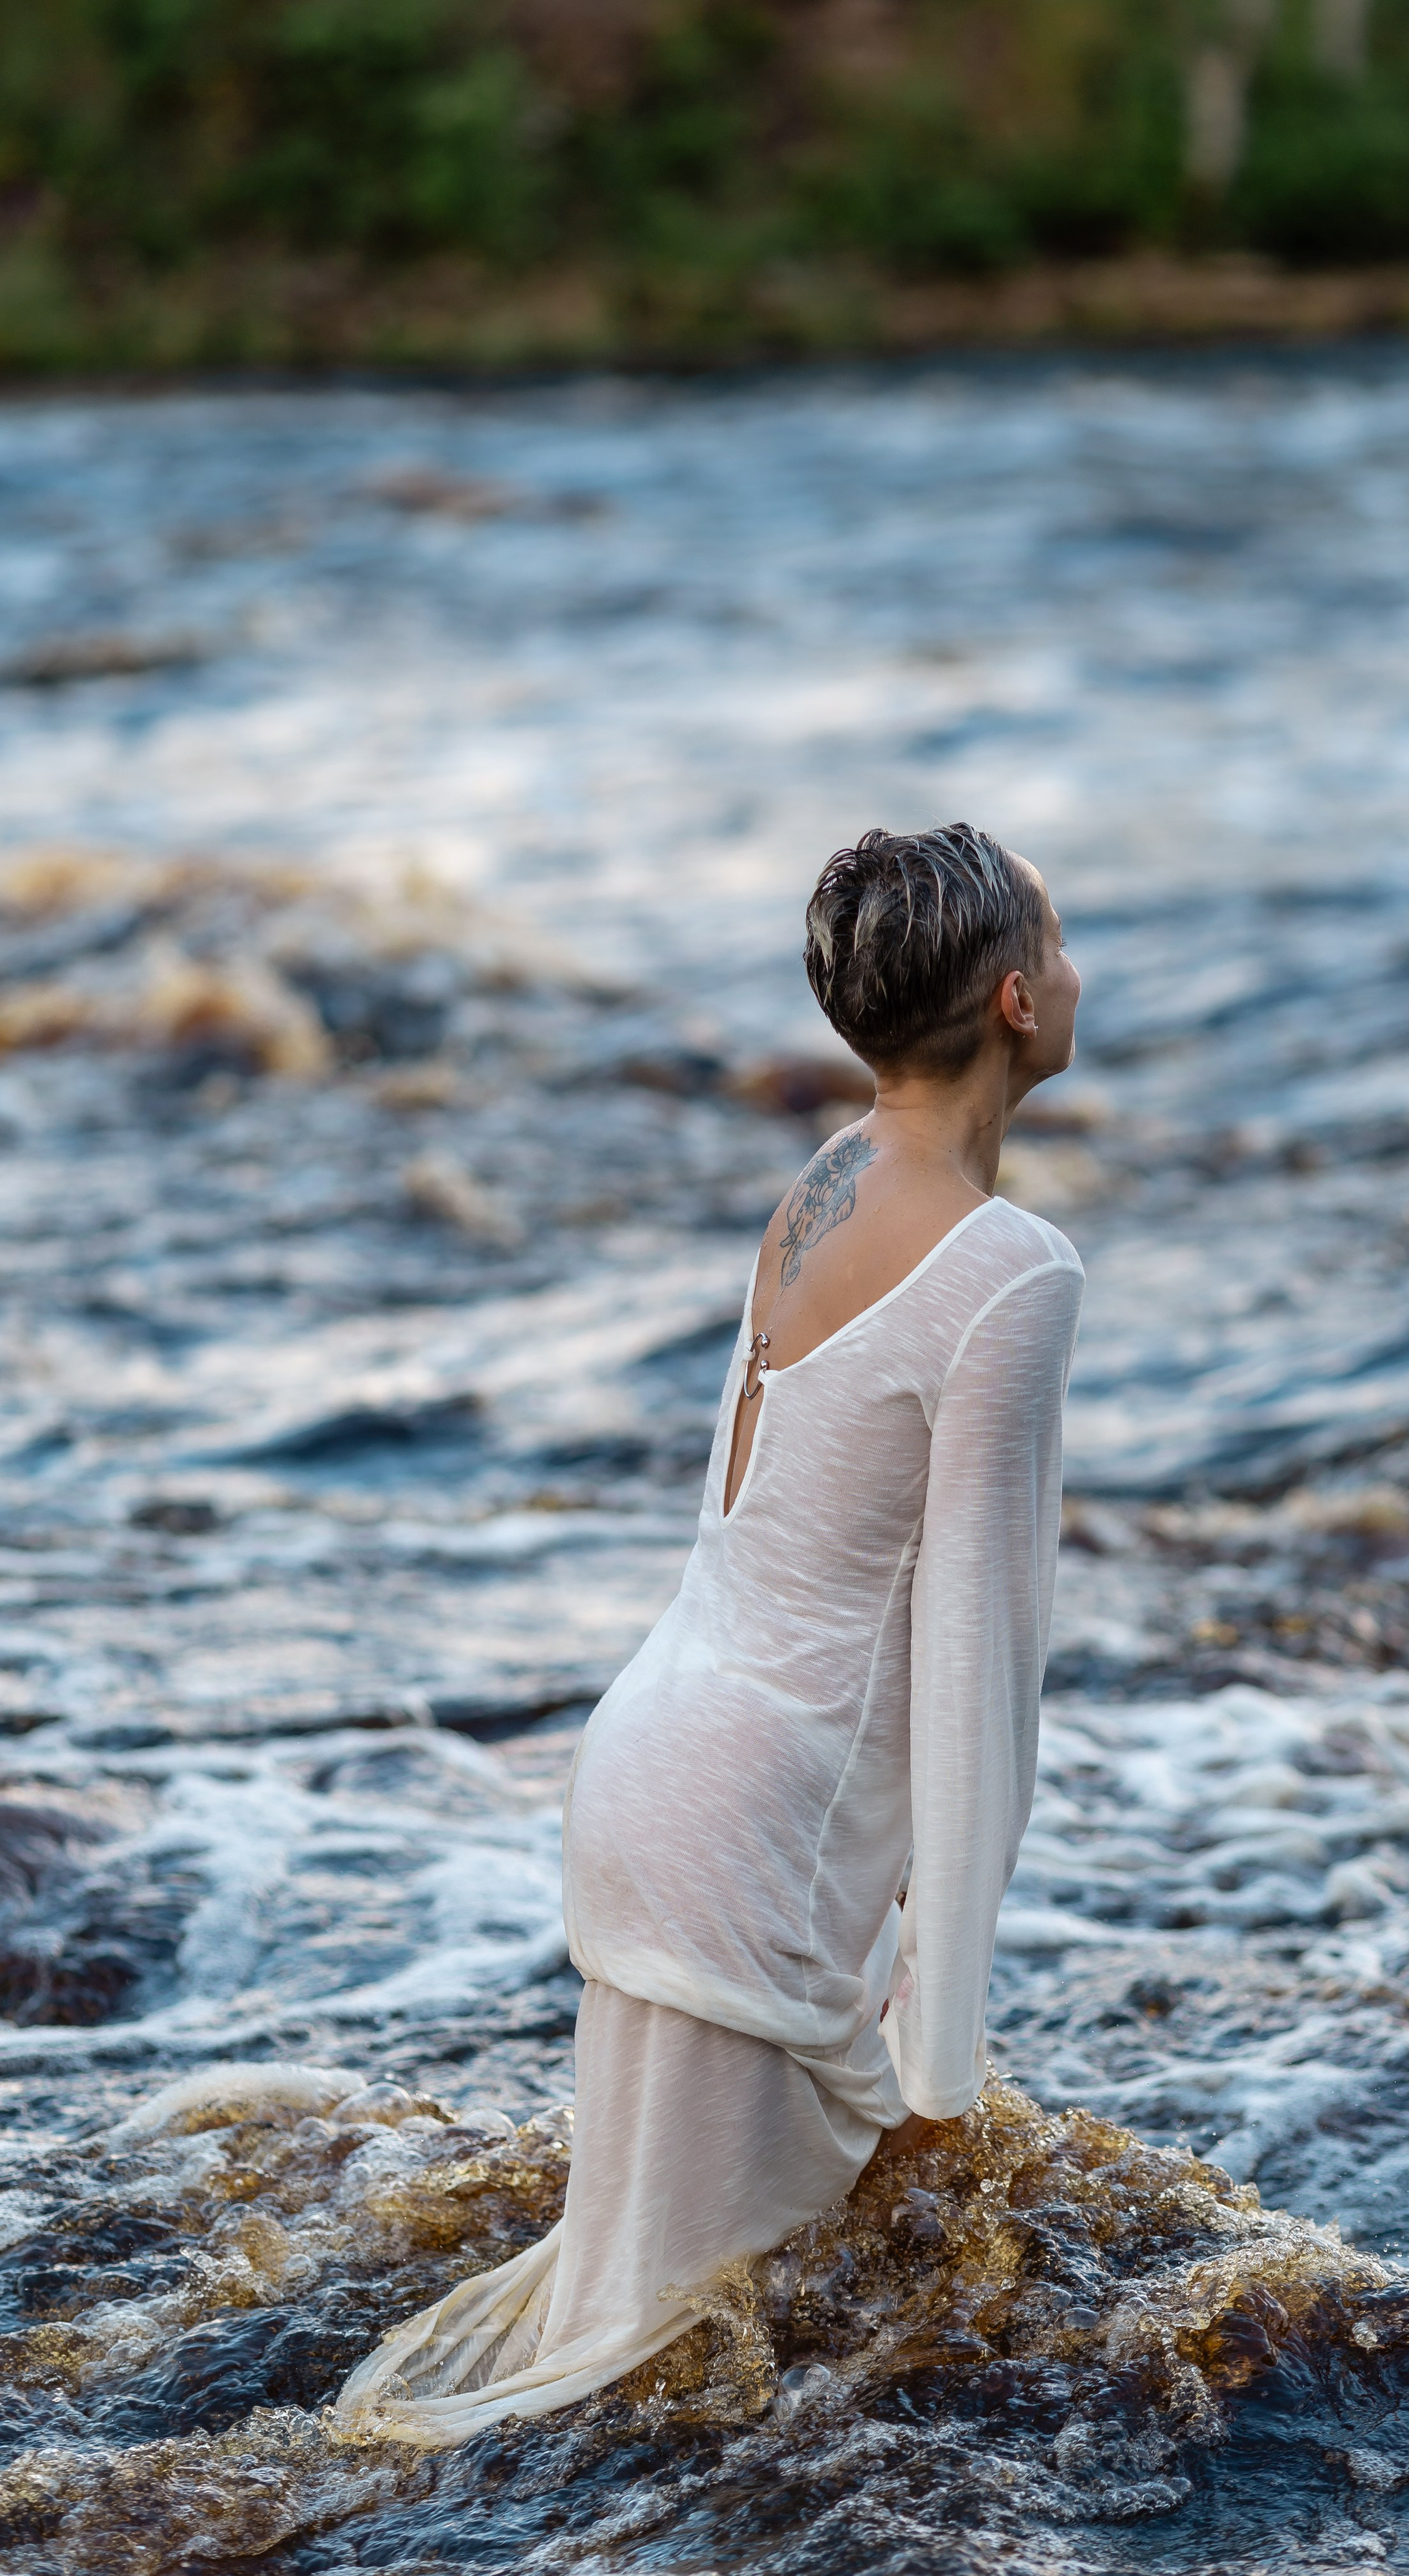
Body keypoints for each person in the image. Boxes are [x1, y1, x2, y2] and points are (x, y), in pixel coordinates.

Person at [334, 822, 1084, 2444]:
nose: (1079, 973)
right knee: (674, 2403)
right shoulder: (1011, 1271)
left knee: (640, 2358)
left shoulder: (819, 1183)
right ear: (1019, 1001)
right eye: (1066, 944)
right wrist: (943, 2076)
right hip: (754, 1836)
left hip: (652, 1774)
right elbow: (973, 1675)